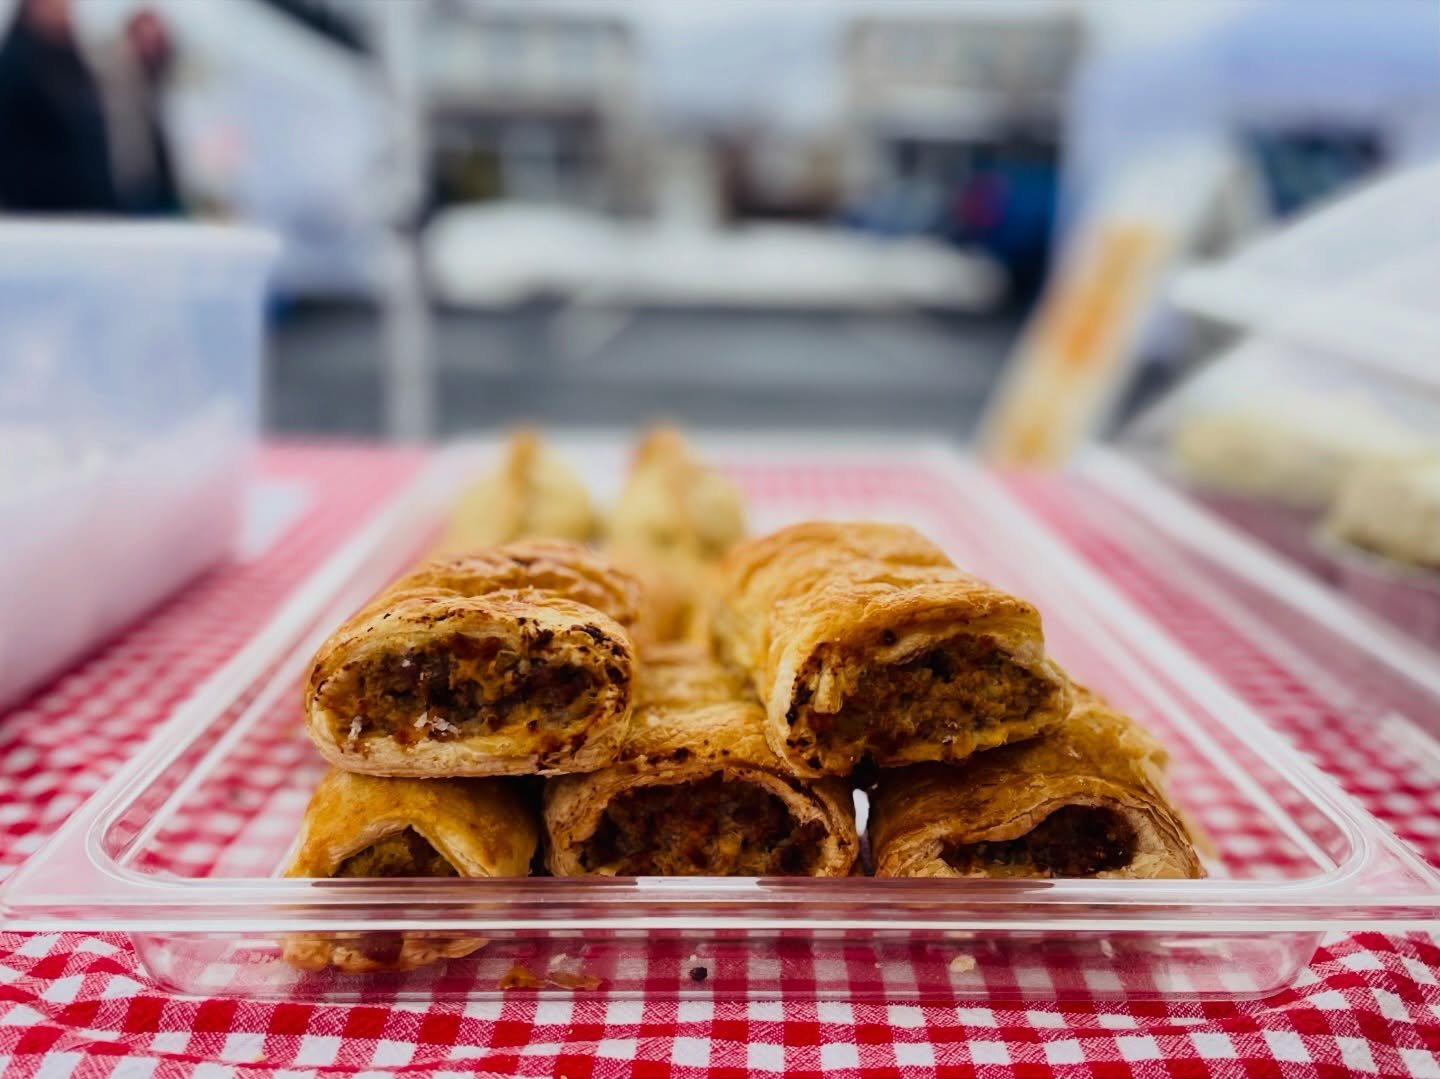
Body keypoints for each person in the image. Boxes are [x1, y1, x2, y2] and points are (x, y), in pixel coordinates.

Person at [0, 0, 120, 212]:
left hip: (86, 211)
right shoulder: (13, 68)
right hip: (36, 217)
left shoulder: (73, 62)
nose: (65, 9)